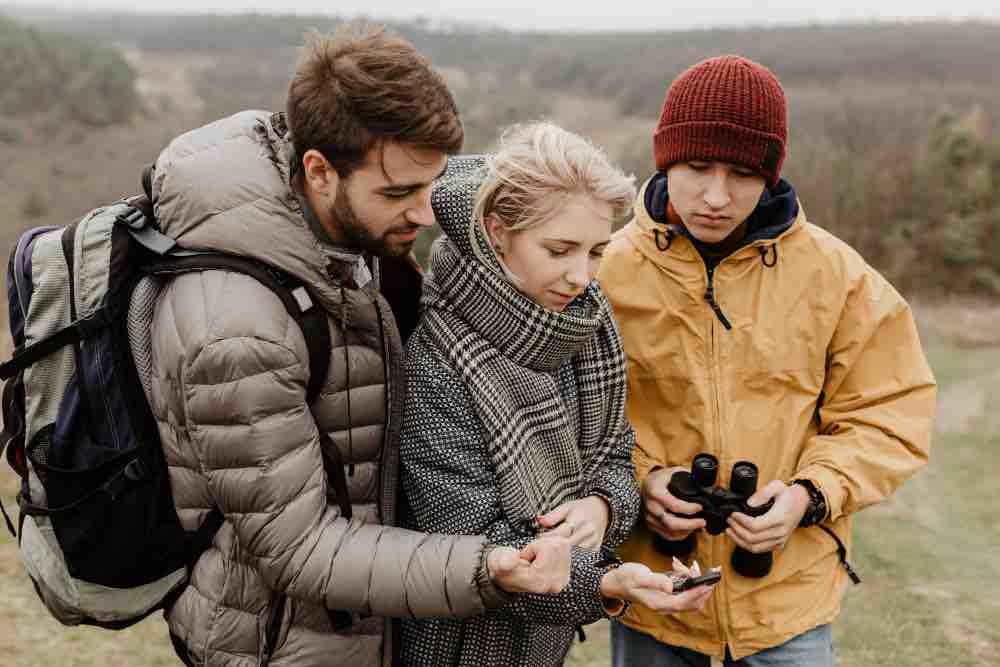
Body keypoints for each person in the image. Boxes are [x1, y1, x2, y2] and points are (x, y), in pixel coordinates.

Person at [145, 28, 573, 667]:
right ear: (317, 169)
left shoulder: (337, 233)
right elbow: (299, 549)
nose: (425, 214)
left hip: (362, 621)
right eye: (399, 193)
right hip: (277, 643)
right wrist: (490, 568)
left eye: (432, 185)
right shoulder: (237, 331)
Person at [597, 55, 937, 665]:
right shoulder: (600, 271)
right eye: (697, 167)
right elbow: (564, 417)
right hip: (657, 597)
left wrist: (809, 495)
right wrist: (640, 483)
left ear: (772, 175)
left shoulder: (839, 277)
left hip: (787, 606)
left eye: (742, 173)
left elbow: (891, 411)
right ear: (664, 157)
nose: (717, 195)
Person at [397, 123, 715, 667]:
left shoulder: (588, 326)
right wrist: (609, 580)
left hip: (546, 642)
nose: (579, 276)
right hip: (452, 642)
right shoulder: (437, 352)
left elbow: (617, 452)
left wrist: (603, 506)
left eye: (596, 251)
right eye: (559, 249)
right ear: (497, 230)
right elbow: (470, 537)